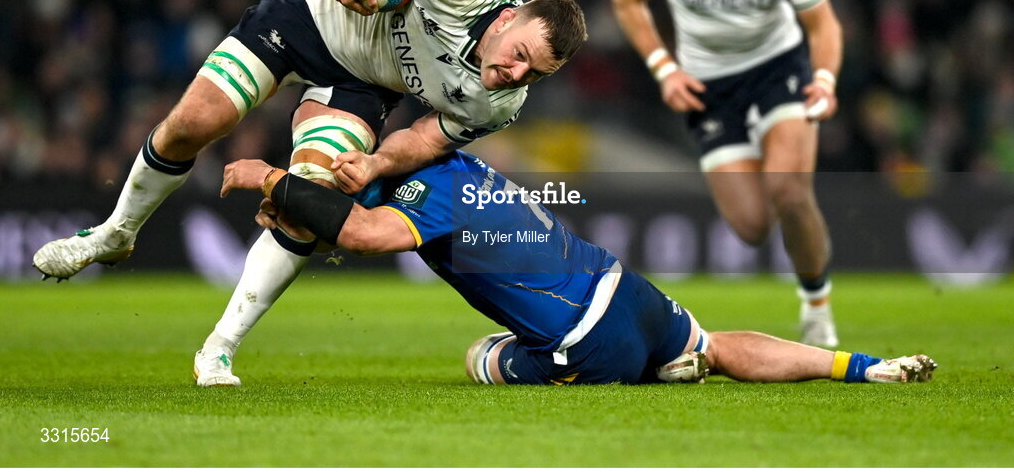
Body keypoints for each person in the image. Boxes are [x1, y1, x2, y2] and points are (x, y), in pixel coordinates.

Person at [34, 0, 587, 322]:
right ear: (509, 17)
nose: (517, 76)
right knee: (192, 124)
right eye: (520, 56)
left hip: (361, 84)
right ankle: (116, 232)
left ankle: (219, 349)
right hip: (308, 18)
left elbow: (426, 136)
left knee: (308, 200)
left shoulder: (501, 104)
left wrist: (375, 165)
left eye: (534, 75)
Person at [201, 150, 936, 387]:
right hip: (629, 291)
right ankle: (860, 367)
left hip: (582, 341)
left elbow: (360, 235)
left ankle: (645, 370)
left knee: (478, 358)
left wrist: (272, 178)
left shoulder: (426, 194)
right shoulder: (466, 167)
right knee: (711, 343)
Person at [611, 0, 844, 347]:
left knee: (789, 190)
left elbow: (822, 22)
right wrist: (664, 69)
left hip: (777, 69)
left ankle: (816, 305)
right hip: (707, 85)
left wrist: (825, 79)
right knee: (751, 225)